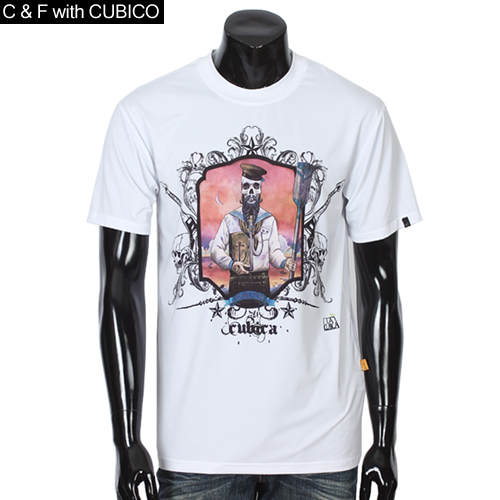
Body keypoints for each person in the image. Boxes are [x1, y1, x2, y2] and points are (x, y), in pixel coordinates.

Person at [88, 9, 421, 500]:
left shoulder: (358, 115)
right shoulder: (145, 115)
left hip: (322, 445)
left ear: (260, 192)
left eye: (253, 189)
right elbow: (119, 287)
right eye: (243, 188)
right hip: (198, 446)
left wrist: (385, 437)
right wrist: (126, 441)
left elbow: (381, 288)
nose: (248, 194)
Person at [211, 163, 296, 304]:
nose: (251, 193)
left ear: (260, 191)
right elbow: (215, 250)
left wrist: (284, 262)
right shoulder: (230, 219)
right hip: (237, 280)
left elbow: (274, 252)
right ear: (242, 190)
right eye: (246, 187)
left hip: (261, 281)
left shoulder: (269, 220)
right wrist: (231, 264)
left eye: (255, 187)